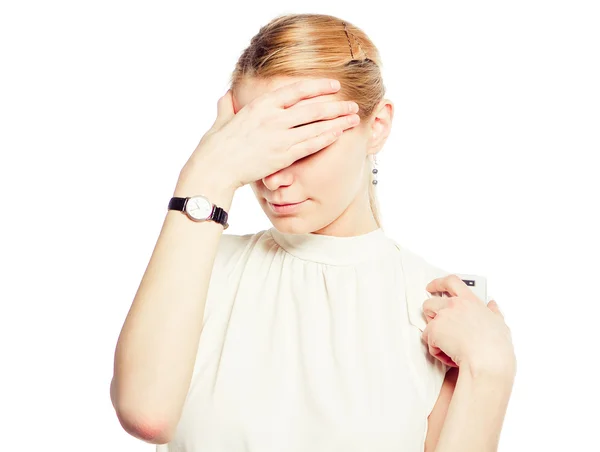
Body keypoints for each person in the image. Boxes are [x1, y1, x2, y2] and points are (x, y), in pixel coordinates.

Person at [110, 13, 516, 452]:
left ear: (376, 125)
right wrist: (206, 175)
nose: (273, 179)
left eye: (305, 141)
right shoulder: (197, 265)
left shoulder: (439, 310)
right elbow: (146, 413)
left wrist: (490, 371)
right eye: (259, 144)